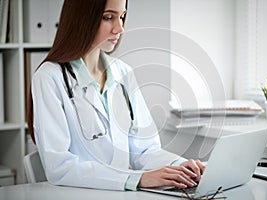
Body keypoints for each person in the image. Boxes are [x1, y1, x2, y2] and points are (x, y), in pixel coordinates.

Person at [27, 0, 205, 191]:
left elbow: (143, 150)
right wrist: (138, 179)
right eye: (108, 18)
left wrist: (181, 166)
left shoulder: (123, 73)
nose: (119, 28)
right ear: (82, 19)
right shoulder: (49, 77)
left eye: (121, 17)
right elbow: (60, 167)